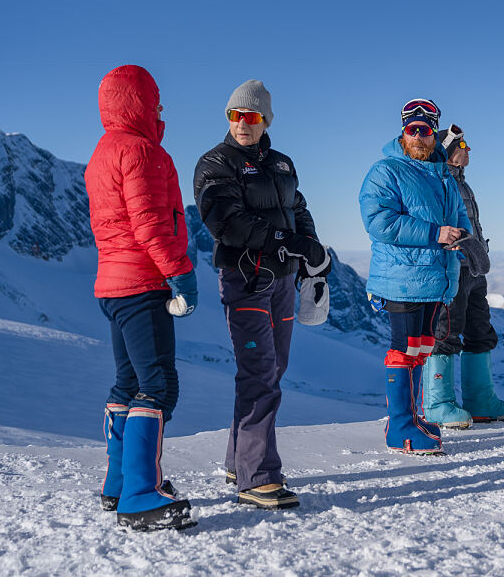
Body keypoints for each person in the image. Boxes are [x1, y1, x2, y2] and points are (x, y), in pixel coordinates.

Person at [193, 80, 329, 509]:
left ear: (266, 121)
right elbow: (226, 221)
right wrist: (283, 240)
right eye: (236, 115)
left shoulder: (282, 164)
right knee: (259, 372)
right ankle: (258, 477)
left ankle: (239, 461)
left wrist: (310, 248)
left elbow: (298, 208)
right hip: (245, 278)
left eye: (251, 116)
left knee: (274, 368)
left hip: (282, 281)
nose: (243, 123)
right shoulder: (215, 162)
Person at [85, 64, 198, 531]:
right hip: (143, 284)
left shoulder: (102, 152)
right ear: (142, 104)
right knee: (158, 385)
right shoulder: (142, 151)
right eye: (156, 102)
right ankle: (139, 495)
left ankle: (119, 484)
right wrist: (181, 274)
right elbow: (152, 224)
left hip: (112, 285)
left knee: (127, 383)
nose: (161, 110)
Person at [359, 98, 471, 454]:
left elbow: (459, 215)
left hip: (435, 277)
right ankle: (400, 428)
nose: (419, 136)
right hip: (402, 277)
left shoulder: (442, 174)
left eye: (425, 130)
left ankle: (412, 418)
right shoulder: (386, 171)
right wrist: (436, 234)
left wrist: (463, 237)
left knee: (421, 348)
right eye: (413, 129)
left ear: (435, 135)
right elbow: (379, 222)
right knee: (404, 349)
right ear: (403, 132)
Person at [423, 125, 504, 428]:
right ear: (448, 150)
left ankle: (480, 401)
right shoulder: (439, 183)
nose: (469, 149)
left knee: (479, 329)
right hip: (451, 268)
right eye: (462, 145)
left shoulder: (462, 183)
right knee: (445, 332)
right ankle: (438, 404)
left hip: (474, 267)